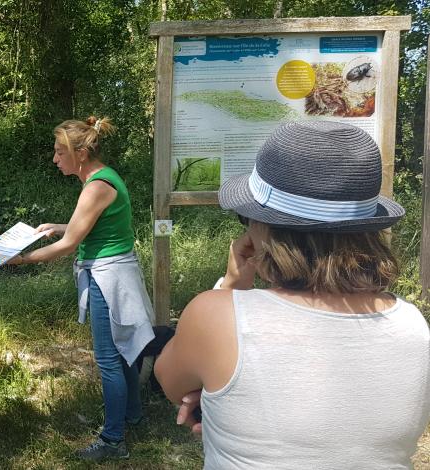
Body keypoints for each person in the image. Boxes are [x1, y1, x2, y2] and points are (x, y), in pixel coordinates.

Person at [154, 121, 430, 469]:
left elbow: (169, 380)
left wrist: (233, 283)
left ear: (266, 228)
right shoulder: (413, 325)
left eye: (246, 217)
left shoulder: (215, 316)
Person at [10, 116, 156, 461]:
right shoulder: (99, 179)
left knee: (109, 359)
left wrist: (18, 260)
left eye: (60, 152)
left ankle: (112, 440)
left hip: (109, 277)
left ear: (80, 153)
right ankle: (132, 414)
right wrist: (59, 225)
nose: (55, 159)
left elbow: (69, 245)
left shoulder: (95, 186)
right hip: (113, 271)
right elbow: (89, 225)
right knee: (124, 351)